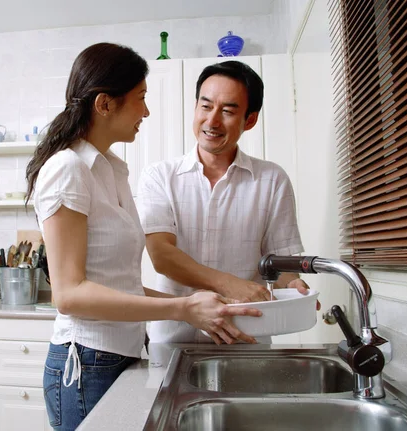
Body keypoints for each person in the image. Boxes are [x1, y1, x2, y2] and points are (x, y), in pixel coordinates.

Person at [25, 44, 262, 431]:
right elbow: (69, 295)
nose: (146, 112)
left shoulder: (111, 170)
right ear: (105, 104)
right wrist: (181, 309)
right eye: (140, 99)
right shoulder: (67, 168)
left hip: (117, 355)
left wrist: (192, 307)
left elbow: (122, 284)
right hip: (87, 361)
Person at [137, 60, 316, 345]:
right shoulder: (160, 176)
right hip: (173, 338)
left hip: (245, 338)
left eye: (228, 111)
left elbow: (280, 263)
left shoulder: (271, 180)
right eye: (205, 106)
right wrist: (229, 283)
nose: (212, 121)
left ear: (250, 120)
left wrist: (292, 286)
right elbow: (162, 255)